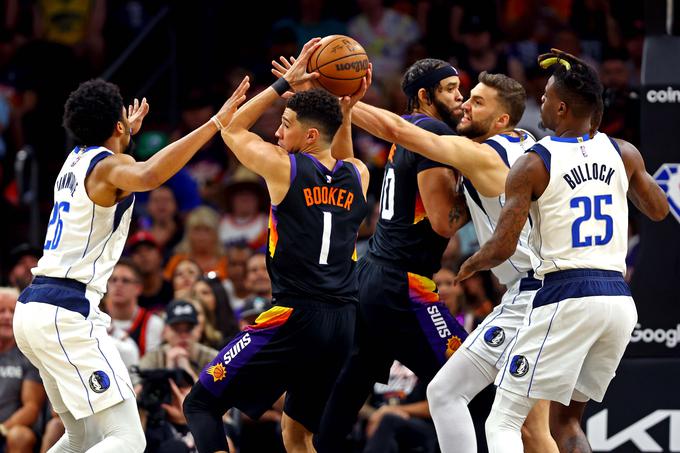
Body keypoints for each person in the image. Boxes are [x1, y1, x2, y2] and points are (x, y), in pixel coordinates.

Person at [12, 76, 249, 452]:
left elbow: (116, 163)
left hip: (34, 309)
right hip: (65, 311)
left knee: (81, 438)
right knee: (127, 439)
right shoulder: (108, 168)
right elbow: (150, 174)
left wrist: (120, 135)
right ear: (118, 125)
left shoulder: (75, 161)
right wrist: (214, 124)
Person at [454, 49, 669, 452]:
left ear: (563, 107)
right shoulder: (623, 153)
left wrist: (471, 263)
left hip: (566, 294)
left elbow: (501, 247)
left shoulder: (535, 162)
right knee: (567, 422)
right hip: (617, 300)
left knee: (503, 419)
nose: (543, 103)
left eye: (549, 98)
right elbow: (658, 211)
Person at [344, 72, 559, 451]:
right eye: (463, 94)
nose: (463, 103)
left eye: (476, 101)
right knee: (461, 397)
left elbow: (398, 128)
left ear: (501, 120)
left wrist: (338, 100)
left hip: (536, 294)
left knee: (517, 420)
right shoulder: (525, 143)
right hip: (531, 291)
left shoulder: (482, 154)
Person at [183, 38, 370, 453]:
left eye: (286, 123)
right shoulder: (358, 174)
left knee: (200, 405)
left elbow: (230, 127)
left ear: (310, 135)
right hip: (342, 322)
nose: (277, 129)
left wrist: (285, 82)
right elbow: (340, 153)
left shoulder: (282, 168)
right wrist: (346, 109)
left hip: (295, 315)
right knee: (297, 433)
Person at [312, 58, 471, 452]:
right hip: (403, 284)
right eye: (451, 88)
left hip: (371, 275)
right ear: (424, 95)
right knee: (475, 382)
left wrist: (340, 103)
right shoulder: (432, 132)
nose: (461, 97)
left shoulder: (411, 133)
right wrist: (484, 196)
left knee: (350, 387)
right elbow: (444, 223)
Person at [0, 287, 46, 453]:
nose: (6, 316)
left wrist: (2, 429)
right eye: (1, 311)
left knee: (20, 436)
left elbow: (31, 408)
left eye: (12, 311)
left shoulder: (29, 355)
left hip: (12, 431)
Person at [104, 259, 164, 357]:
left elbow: (150, 368)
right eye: (113, 280)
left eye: (125, 281)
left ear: (138, 288)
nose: (118, 285)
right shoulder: (96, 321)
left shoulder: (153, 323)